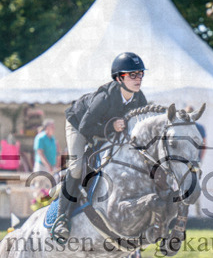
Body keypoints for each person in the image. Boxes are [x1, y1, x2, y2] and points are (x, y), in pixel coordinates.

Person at [54, 52, 148, 242]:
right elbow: (85, 127)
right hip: (79, 124)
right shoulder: (104, 97)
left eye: (140, 74)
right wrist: (111, 126)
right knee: (77, 167)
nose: (138, 79)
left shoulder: (140, 99)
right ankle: (61, 219)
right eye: (133, 75)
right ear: (119, 78)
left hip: (107, 132)